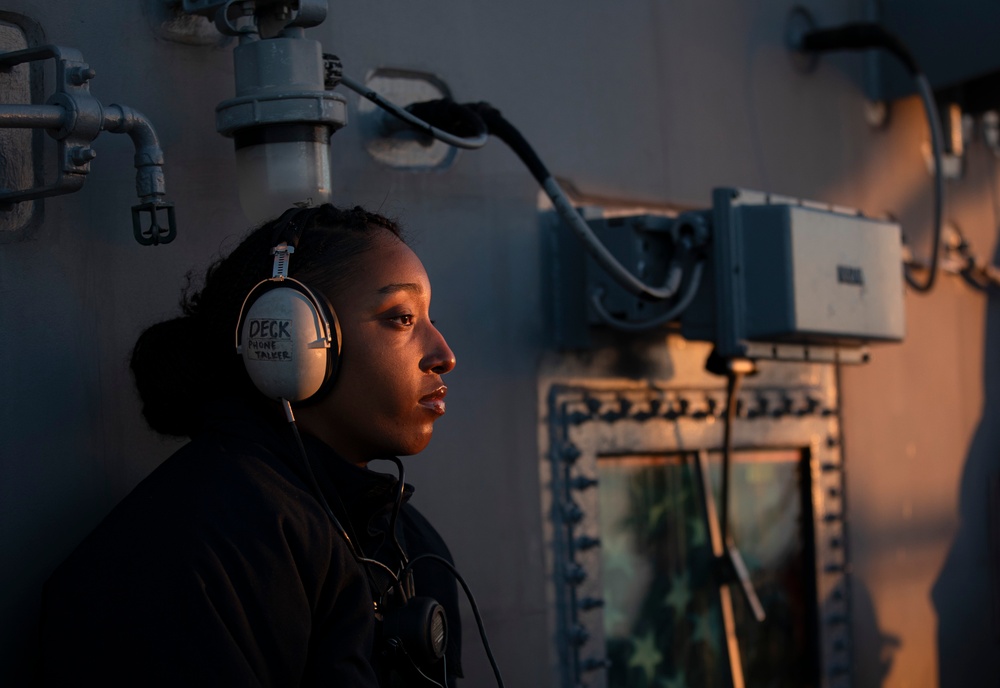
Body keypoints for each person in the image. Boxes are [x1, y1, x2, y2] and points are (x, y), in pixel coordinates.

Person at [36, 205, 462, 687]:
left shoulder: (409, 540)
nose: (444, 355)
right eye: (402, 318)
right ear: (289, 342)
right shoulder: (195, 550)